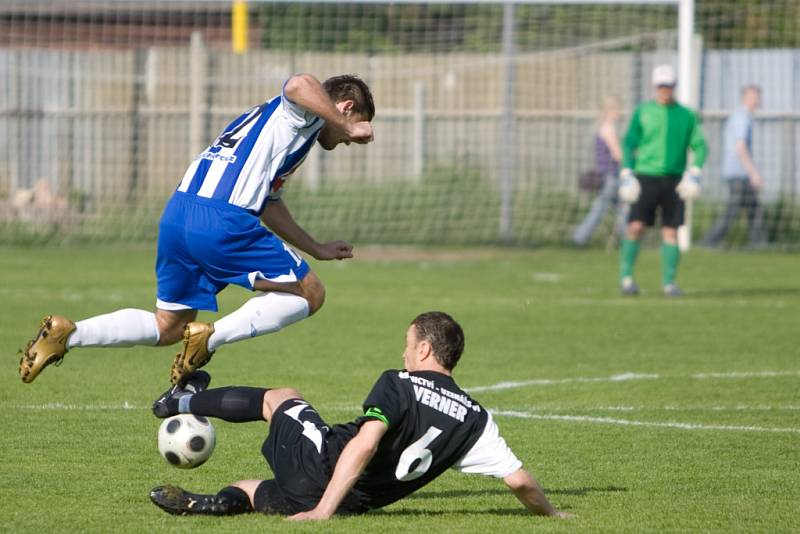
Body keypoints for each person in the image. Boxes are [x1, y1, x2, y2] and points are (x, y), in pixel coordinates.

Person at [19, 73, 375, 386]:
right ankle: (211, 338)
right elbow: (299, 84)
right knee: (310, 293)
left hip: (179, 214)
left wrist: (316, 248)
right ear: (344, 107)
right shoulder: (301, 113)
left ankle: (68, 334)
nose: (348, 141)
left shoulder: (275, 126)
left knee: (169, 327)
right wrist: (346, 126)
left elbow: (270, 204)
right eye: (354, 128)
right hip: (223, 220)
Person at [149, 312, 568, 520]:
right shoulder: (475, 418)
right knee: (252, 488)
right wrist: (553, 515)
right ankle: (215, 503)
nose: (403, 352)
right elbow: (519, 481)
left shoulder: (400, 381)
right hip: (353, 503)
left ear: (424, 351)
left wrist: (322, 512)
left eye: (408, 344)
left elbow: (365, 443)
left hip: (324, 475)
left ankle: (177, 401)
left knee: (280, 398)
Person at [617, 64, 707, 297]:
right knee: (636, 226)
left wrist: (695, 171)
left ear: (674, 86)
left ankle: (669, 283)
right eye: (661, 86)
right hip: (645, 176)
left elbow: (700, 145)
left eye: (668, 86)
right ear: (655, 87)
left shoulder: (686, 115)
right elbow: (629, 142)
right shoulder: (643, 112)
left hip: (674, 180)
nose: (664, 90)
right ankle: (626, 278)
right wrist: (626, 172)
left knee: (671, 231)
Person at [701, 85, 766, 248]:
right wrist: (753, 173)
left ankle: (759, 244)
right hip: (738, 173)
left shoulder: (743, 117)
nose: (757, 100)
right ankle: (709, 241)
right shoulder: (742, 118)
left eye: (758, 96)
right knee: (733, 211)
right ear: (745, 97)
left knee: (753, 209)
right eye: (754, 96)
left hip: (740, 172)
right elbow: (741, 147)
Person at [572, 96, 627, 246]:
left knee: (622, 209)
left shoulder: (602, 127)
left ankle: (627, 239)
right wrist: (632, 159)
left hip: (609, 176)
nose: (619, 113)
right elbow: (617, 154)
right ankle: (579, 239)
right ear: (610, 111)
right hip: (611, 177)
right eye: (617, 110)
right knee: (602, 210)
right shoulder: (608, 128)